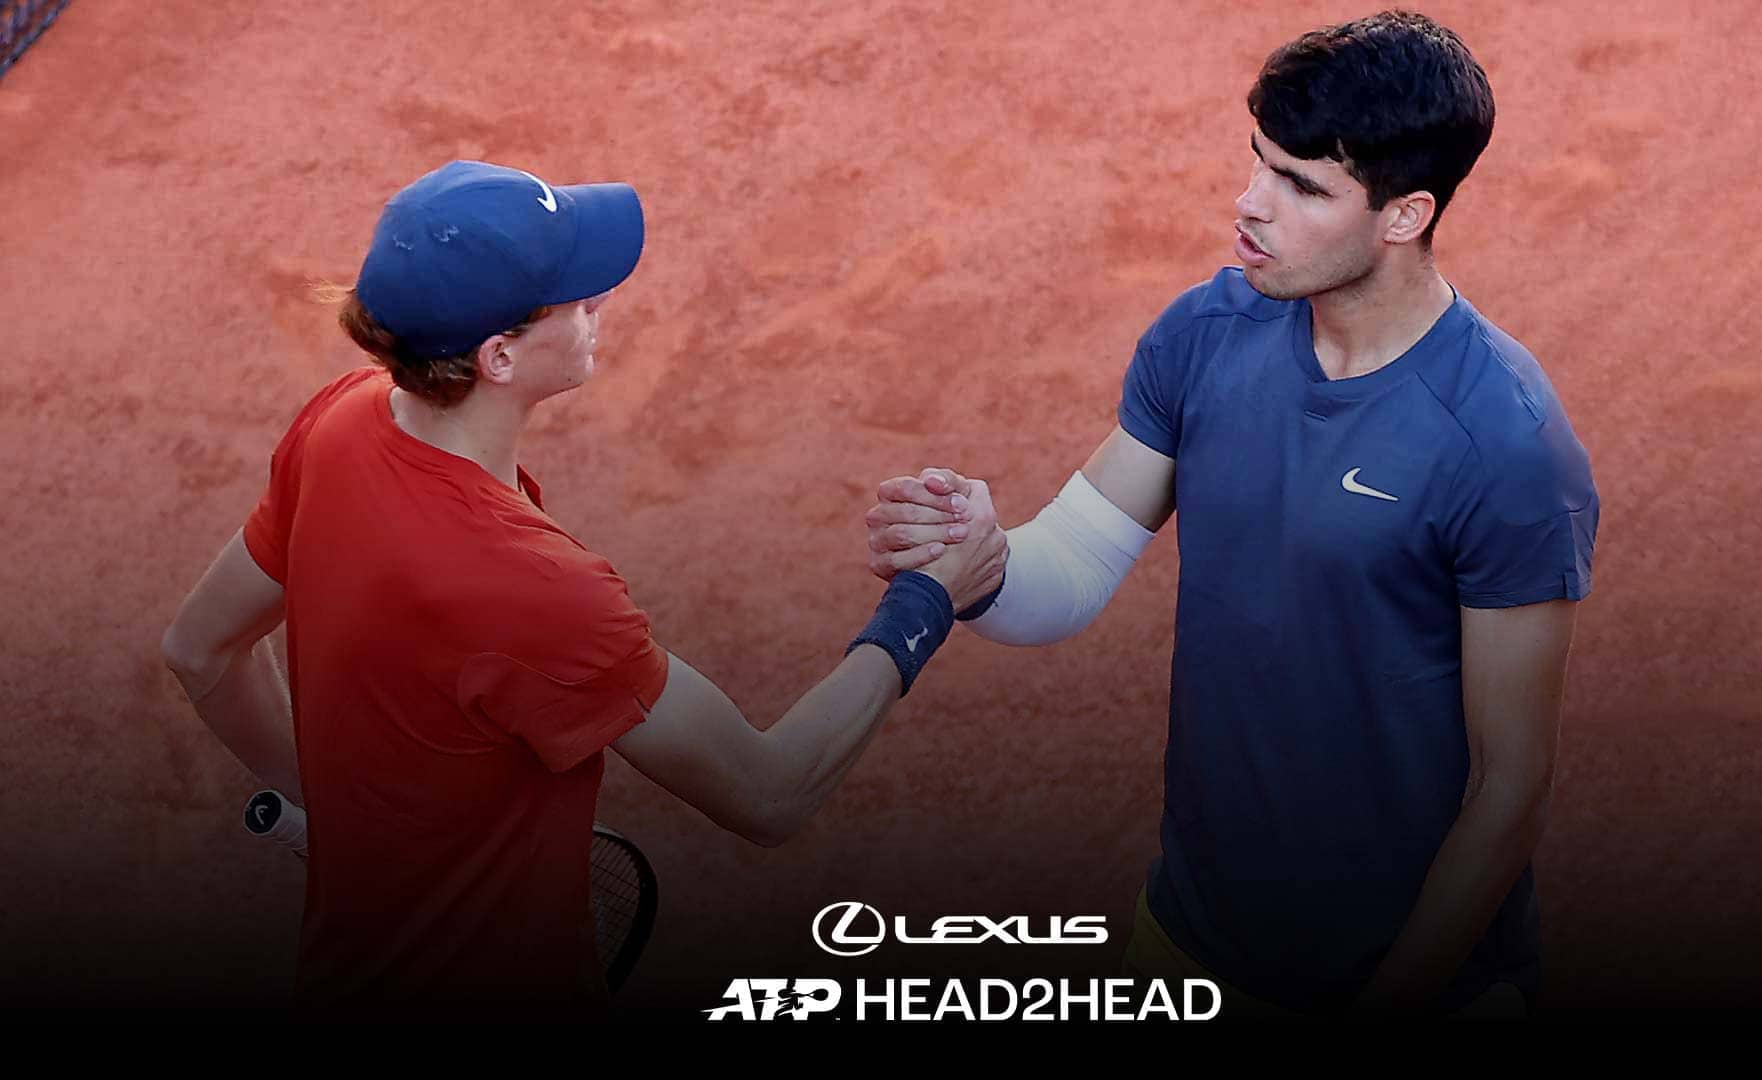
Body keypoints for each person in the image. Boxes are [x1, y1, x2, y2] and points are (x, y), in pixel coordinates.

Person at [865, 10, 1598, 1017]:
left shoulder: (1505, 446)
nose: (1249, 205)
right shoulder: (1207, 333)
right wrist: (981, 565)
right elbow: (1073, 564)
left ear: (1404, 215)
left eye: (1301, 186)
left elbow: (1509, 790)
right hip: (1192, 939)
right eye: (1258, 163)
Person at [160, 160, 1006, 1017]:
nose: (598, 303)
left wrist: (338, 816)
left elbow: (199, 652)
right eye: (572, 298)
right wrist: (926, 600)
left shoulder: (339, 422)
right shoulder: (537, 594)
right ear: (498, 357)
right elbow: (770, 790)